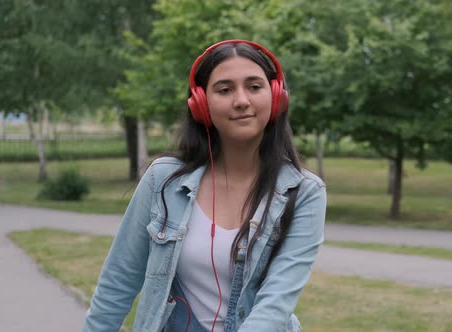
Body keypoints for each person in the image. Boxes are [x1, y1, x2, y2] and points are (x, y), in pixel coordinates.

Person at [82, 40, 327, 332]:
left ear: (276, 96)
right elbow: (118, 282)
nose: (241, 100)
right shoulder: (163, 180)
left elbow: (275, 304)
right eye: (224, 89)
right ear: (201, 104)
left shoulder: (304, 192)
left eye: (254, 87)